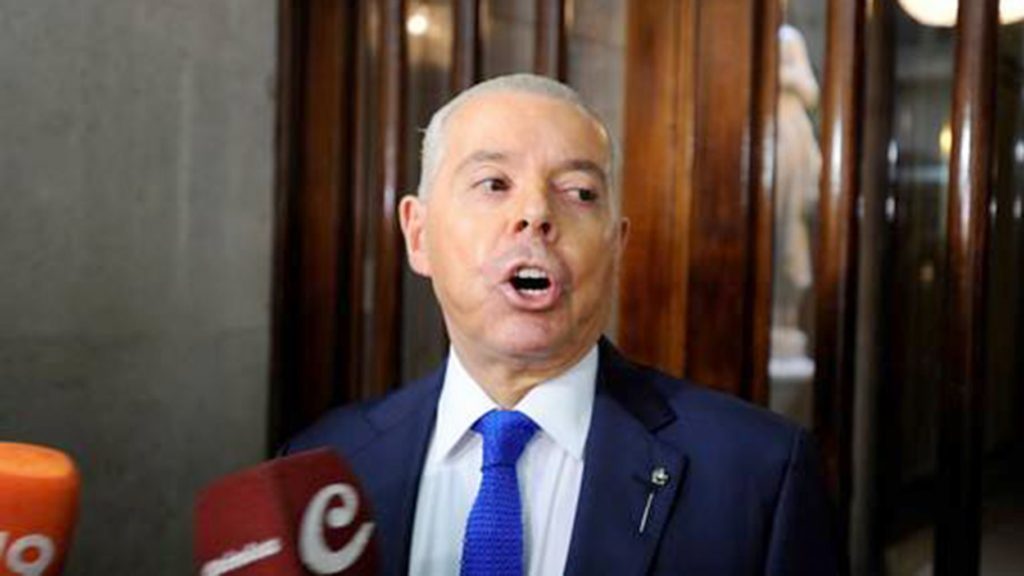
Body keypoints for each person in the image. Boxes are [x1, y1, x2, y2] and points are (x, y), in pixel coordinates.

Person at [282, 74, 838, 575]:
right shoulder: (321, 469)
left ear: (616, 246)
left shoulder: (758, 475)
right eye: (494, 184)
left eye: (579, 193)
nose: (536, 214)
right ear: (418, 234)